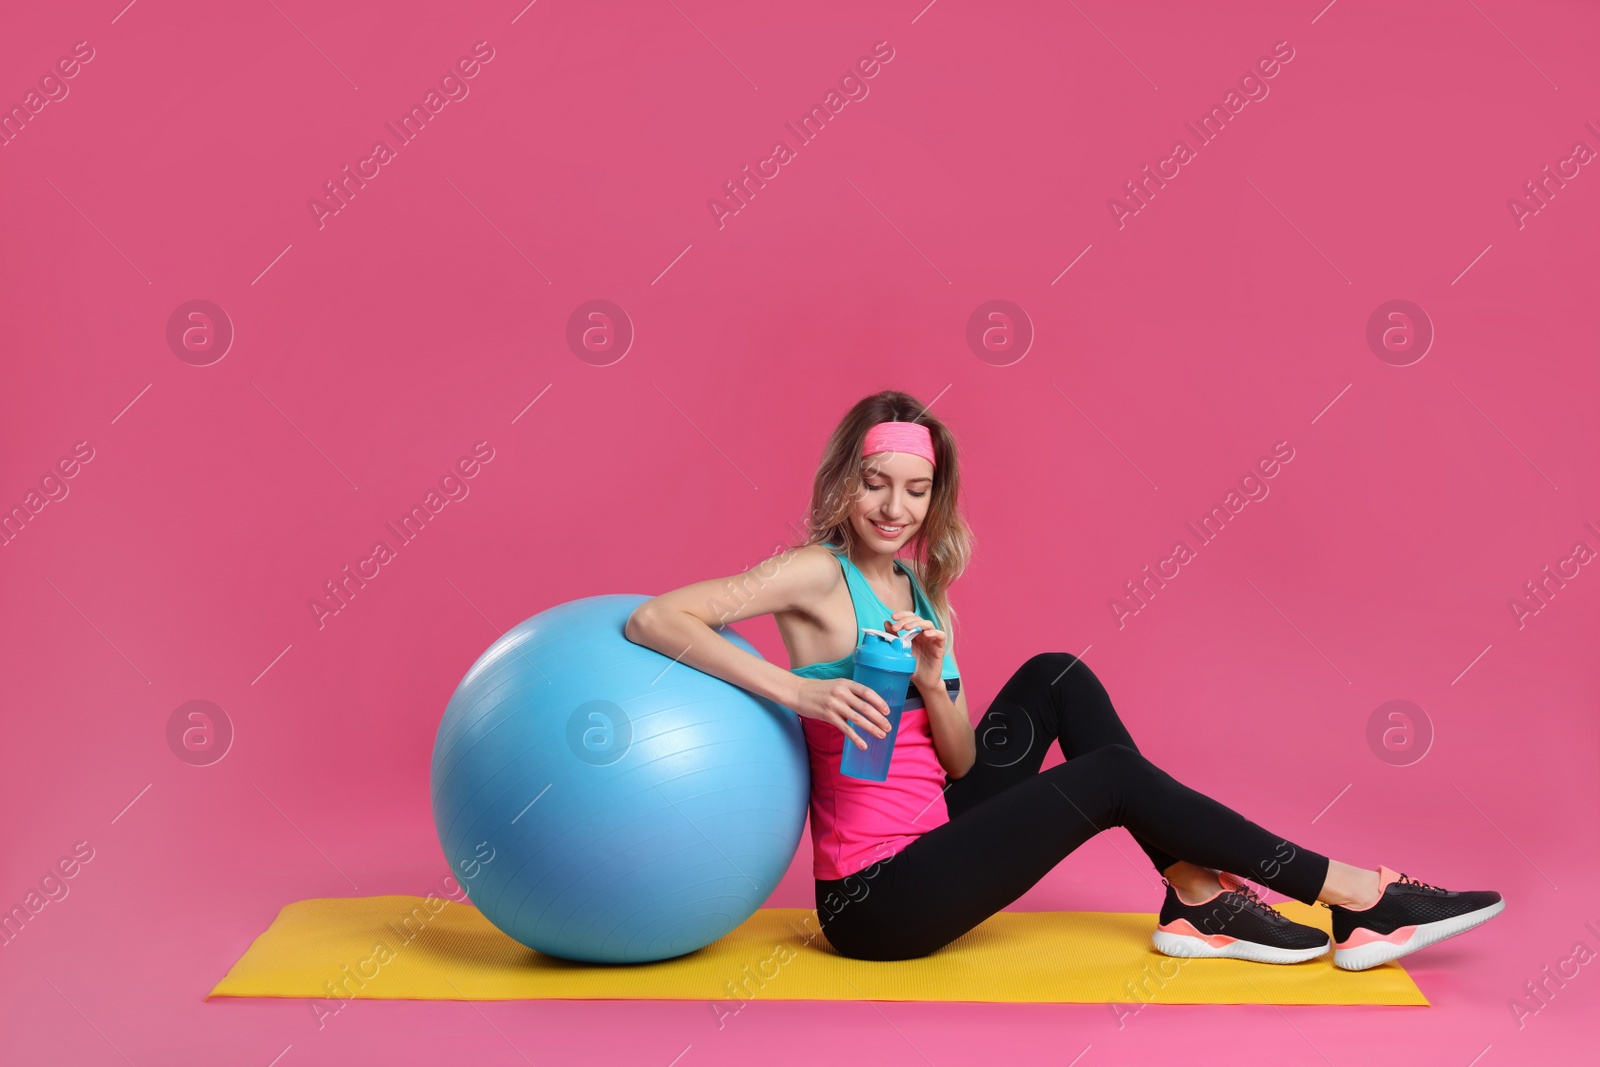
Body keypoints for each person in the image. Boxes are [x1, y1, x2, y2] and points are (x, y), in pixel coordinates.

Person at [624, 390, 1504, 969]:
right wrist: (801, 690)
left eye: (916, 491)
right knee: (1109, 780)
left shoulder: (919, 590)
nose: (895, 509)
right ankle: (1354, 893)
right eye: (876, 485)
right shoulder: (815, 574)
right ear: (845, 484)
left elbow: (961, 766)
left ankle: (1197, 896)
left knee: (1057, 674)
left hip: (933, 828)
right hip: (875, 900)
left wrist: (936, 680)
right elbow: (655, 616)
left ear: (937, 496)